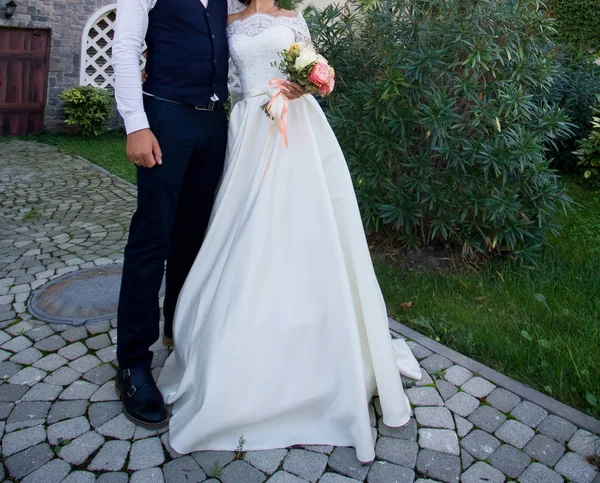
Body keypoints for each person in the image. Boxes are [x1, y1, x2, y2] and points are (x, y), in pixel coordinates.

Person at [155, 0, 422, 463]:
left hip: (296, 127)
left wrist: (309, 83)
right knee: (244, 229)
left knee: (304, 225)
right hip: (249, 127)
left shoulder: (291, 18)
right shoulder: (226, 19)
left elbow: (317, 68)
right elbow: (215, 70)